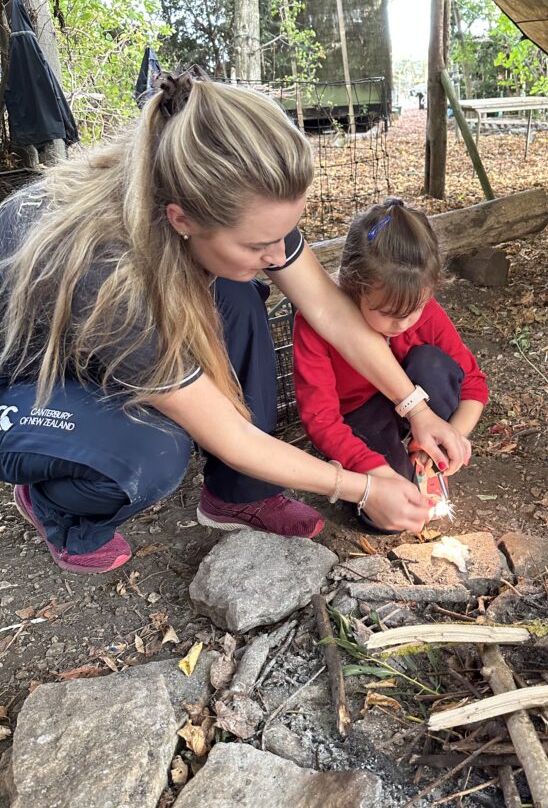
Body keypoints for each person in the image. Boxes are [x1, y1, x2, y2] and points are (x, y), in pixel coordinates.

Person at [0, 71, 471, 574]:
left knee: (239, 293)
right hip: (28, 378)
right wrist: (362, 486)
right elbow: (230, 435)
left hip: (97, 340)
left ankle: (236, 495)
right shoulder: (113, 275)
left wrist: (415, 407)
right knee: (152, 451)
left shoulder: (227, 208)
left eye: (286, 233)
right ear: (181, 220)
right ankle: (60, 504)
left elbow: (331, 312)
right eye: (257, 244)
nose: (276, 253)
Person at [292, 198, 488, 516]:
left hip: (411, 410)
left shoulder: (417, 309)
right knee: (388, 515)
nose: (403, 324)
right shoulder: (316, 321)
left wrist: (452, 435)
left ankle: (420, 455)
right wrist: (374, 474)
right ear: (353, 286)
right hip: (356, 418)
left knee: (433, 364)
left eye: (416, 310)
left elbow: (474, 386)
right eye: (386, 313)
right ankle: (398, 465)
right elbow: (322, 420)